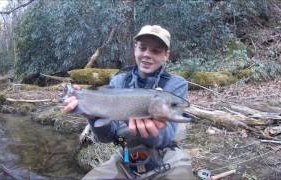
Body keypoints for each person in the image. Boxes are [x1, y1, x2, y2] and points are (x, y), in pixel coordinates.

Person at [63, 25, 194, 179]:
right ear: (135, 49)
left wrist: (149, 133)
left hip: (167, 155)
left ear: (166, 55)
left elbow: (168, 137)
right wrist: (93, 117)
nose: (147, 54)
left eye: (155, 51)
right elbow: (107, 137)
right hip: (127, 155)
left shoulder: (176, 84)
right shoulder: (118, 81)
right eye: (143, 48)